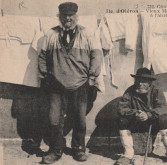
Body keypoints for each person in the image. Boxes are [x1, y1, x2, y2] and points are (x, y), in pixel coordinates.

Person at [38, 2, 102, 164]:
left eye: (71, 16)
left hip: (80, 84)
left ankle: (79, 149)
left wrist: (91, 76)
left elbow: (97, 56)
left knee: (79, 118)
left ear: (76, 16)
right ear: (60, 17)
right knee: (54, 119)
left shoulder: (87, 34)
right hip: (55, 85)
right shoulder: (50, 35)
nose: (68, 19)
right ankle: (55, 150)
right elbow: (42, 58)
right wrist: (46, 76)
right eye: (64, 16)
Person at [115, 68, 167, 165]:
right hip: (136, 121)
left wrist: (148, 115)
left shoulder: (156, 91)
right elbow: (121, 108)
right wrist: (135, 114)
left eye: (144, 81)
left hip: (153, 122)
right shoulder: (130, 91)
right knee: (122, 121)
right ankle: (128, 155)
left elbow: (162, 107)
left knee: (165, 119)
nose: (140, 84)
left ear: (150, 82)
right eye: (138, 80)